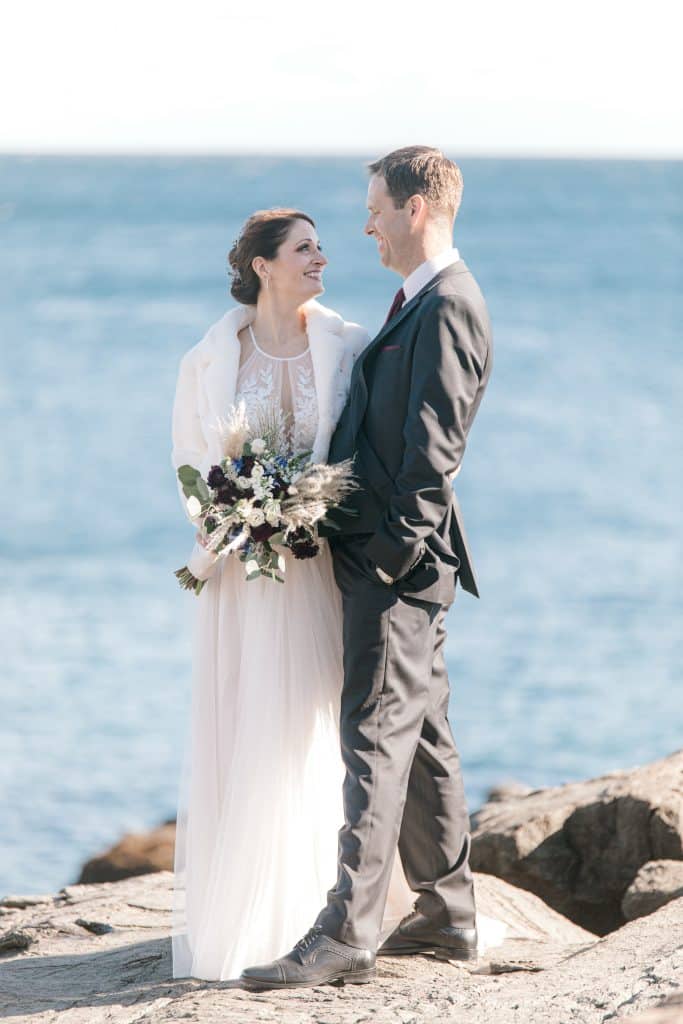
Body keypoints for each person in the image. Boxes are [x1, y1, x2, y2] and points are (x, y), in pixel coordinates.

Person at [240, 146, 494, 990]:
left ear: (414, 209)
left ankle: (347, 930)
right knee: (419, 738)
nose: (367, 223)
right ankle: (449, 914)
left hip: (396, 567)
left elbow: (431, 455)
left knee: (372, 739)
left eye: (376, 208)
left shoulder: (448, 304)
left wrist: (384, 560)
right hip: (393, 560)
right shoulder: (418, 300)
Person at [170, 208, 415, 981]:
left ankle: (333, 911)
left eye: (320, 246)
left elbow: (366, 450)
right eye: (304, 248)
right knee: (244, 723)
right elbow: (187, 456)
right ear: (264, 265)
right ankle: (244, 916)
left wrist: (301, 514)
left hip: (316, 568)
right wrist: (233, 519)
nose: (321, 257)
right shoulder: (210, 356)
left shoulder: (345, 344)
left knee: (325, 724)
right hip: (240, 574)